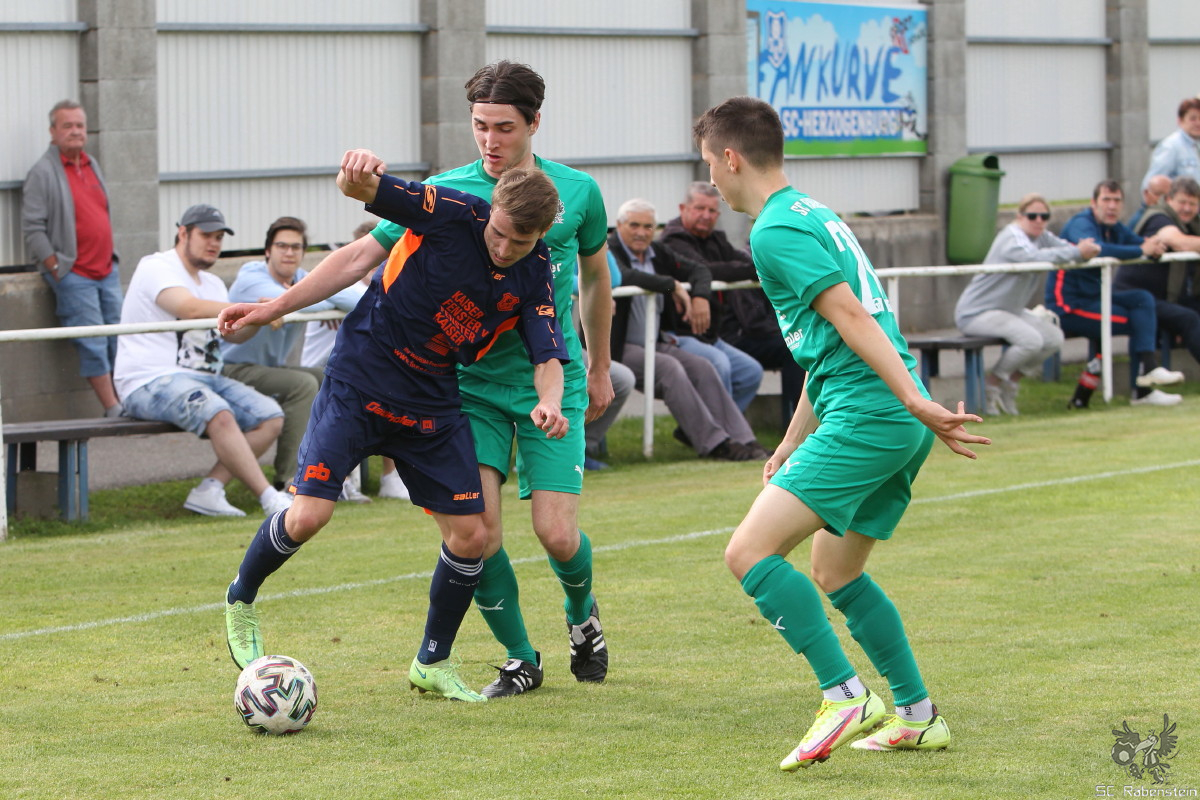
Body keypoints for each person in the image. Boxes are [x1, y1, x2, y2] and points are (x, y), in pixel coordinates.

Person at [693, 96, 990, 770]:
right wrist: (790, 442)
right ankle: (918, 717)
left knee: (749, 553)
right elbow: (825, 347)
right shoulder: (812, 213)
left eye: (709, 163)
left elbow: (853, 318)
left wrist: (913, 400)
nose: (710, 178)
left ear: (731, 158)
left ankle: (844, 694)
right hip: (883, 415)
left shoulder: (773, 232)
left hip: (873, 414)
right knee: (835, 571)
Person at [311, 61, 615, 698]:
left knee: (558, 534)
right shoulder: (446, 192)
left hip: (550, 380)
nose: (490, 140)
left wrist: (602, 365)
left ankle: (581, 613)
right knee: (478, 532)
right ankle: (520, 657)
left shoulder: (578, 193)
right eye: (480, 126)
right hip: (468, 386)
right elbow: (365, 251)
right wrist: (276, 305)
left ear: (534, 123)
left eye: (504, 127)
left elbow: (594, 282)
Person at [220, 158, 569, 704]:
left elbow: (547, 354)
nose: (504, 248)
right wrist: (275, 306)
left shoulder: (537, 272)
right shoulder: (450, 210)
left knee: (472, 535)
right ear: (492, 209)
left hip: (433, 400)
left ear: (541, 234)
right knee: (309, 516)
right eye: (498, 233)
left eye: (519, 242)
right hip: (361, 378)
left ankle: (432, 662)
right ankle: (241, 599)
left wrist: (550, 401)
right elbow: (358, 237)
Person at [113, 204, 293, 517]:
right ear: (183, 233)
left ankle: (210, 490)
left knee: (271, 417)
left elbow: (233, 335)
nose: (214, 243)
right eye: (206, 235)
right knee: (218, 413)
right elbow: (189, 309)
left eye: (219, 237)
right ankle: (269, 499)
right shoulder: (156, 266)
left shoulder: (213, 284)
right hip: (148, 379)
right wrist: (250, 307)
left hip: (205, 378)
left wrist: (258, 318)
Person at [609, 198, 770, 462]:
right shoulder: (608, 250)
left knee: (704, 367)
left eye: (648, 227)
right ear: (618, 226)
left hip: (656, 342)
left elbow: (699, 270)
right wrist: (671, 284)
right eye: (634, 225)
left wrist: (700, 297)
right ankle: (716, 444)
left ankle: (744, 440)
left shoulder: (657, 251)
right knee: (671, 369)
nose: (641, 233)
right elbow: (622, 276)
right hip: (616, 347)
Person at [223, 216, 368, 502]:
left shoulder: (303, 278)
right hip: (230, 368)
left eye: (296, 247)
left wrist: (310, 295)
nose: (289, 252)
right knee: (302, 384)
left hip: (269, 369)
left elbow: (358, 299)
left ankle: (330, 476)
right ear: (267, 251)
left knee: (328, 379)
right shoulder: (251, 276)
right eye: (282, 246)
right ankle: (289, 481)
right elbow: (292, 301)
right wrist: (317, 295)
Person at [660, 181, 804, 423]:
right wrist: (740, 270)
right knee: (723, 363)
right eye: (700, 209)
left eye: (712, 210)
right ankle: (715, 432)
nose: (706, 216)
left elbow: (745, 264)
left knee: (776, 355)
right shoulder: (673, 240)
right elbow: (706, 269)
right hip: (686, 334)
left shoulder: (715, 238)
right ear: (683, 208)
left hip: (719, 332)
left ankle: (716, 429)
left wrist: (742, 269)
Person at [21, 100, 123, 417]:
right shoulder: (42, 173)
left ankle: (129, 401)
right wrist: (56, 267)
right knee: (92, 341)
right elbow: (32, 228)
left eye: (80, 125)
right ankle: (113, 409)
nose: (76, 131)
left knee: (119, 336)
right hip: (74, 273)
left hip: (106, 270)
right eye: (67, 126)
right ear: (53, 132)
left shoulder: (92, 164)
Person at [955, 193, 1100, 415]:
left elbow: (1067, 249)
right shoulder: (1011, 237)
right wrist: (1077, 252)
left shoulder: (1042, 236)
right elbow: (1032, 257)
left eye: (1044, 216)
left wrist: (1085, 250)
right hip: (976, 313)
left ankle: (1010, 383)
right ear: (1019, 216)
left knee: (1053, 338)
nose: (1039, 221)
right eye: (1032, 216)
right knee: (1031, 340)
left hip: (1008, 310)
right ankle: (991, 386)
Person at [300, 221, 410, 500]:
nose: (379, 262)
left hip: (354, 373)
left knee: (393, 380)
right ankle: (335, 481)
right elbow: (322, 295)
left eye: (386, 254)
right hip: (319, 372)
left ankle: (390, 477)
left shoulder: (361, 290)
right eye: (375, 253)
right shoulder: (342, 284)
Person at [1047, 180, 1182, 406]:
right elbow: (1098, 249)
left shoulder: (1114, 227)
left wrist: (1154, 246)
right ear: (1094, 203)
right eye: (1106, 200)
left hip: (1095, 299)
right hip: (1068, 305)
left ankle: (1146, 376)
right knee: (1139, 322)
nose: (1112, 206)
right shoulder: (1081, 223)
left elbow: (1139, 242)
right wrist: (1141, 249)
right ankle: (1142, 389)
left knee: (1142, 299)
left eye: (1117, 200)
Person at [1120, 177, 1200, 367]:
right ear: (1168, 199)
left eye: (1192, 204)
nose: (1187, 208)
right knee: (1189, 318)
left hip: (1166, 297)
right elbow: (1181, 243)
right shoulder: (1158, 218)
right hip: (1136, 298)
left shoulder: (1192, 224)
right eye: (1182, 202)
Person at [1140, 97, 1200, 196]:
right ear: (1180, 120)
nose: (1198, 123)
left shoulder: (1196, 146)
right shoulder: (1171, 146)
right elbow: (1150, 185)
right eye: (1193, 119)